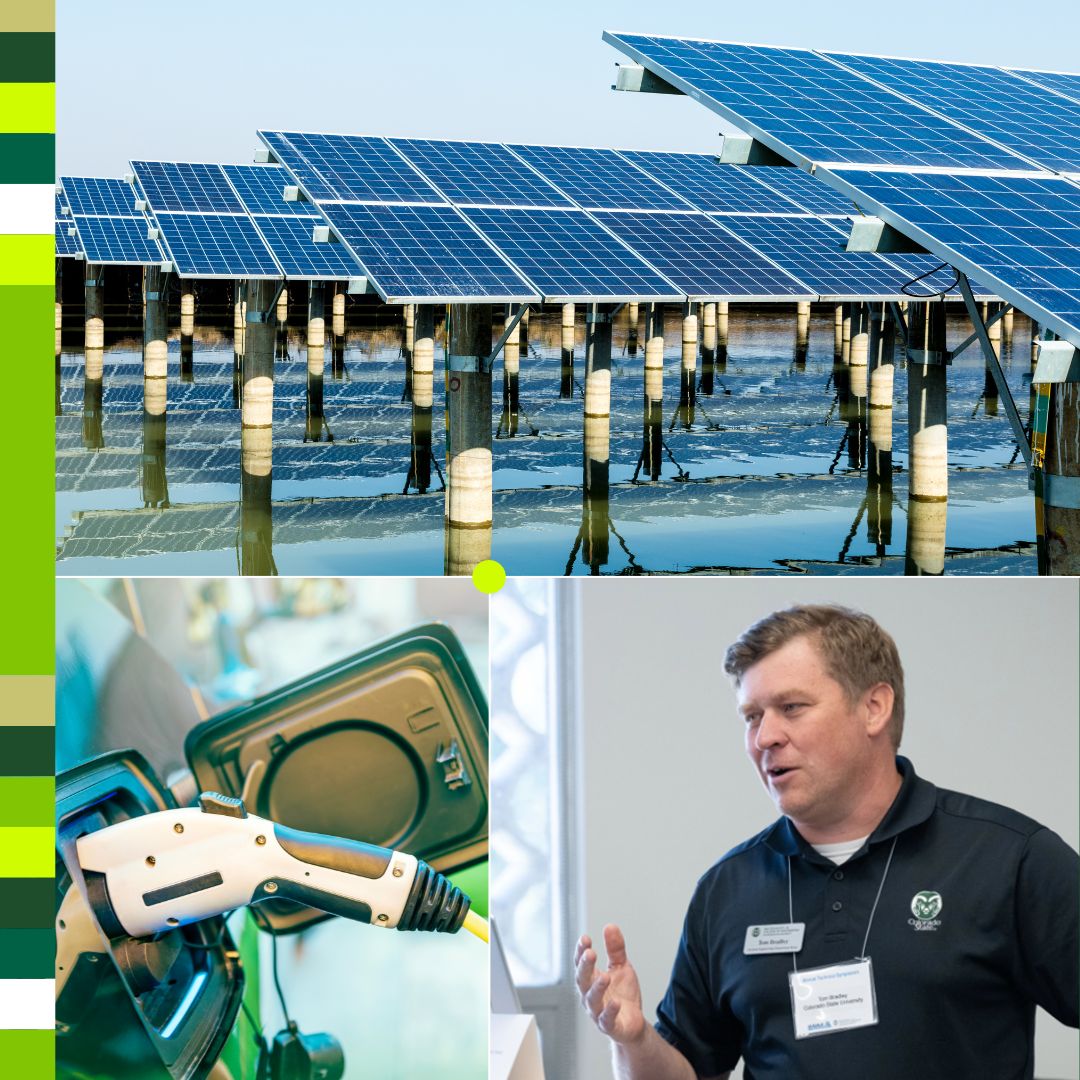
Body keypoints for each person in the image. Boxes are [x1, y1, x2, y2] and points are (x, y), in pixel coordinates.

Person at [575, 605, 1079, 1080]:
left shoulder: (1009, 858)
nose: (764, 737)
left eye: (791, 707)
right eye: (752, 716)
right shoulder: (726, 888)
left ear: (875, 707)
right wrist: (635, 1040)